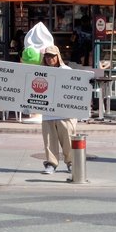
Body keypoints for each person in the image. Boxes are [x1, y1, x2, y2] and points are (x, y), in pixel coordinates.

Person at [40, 45, 76, 173]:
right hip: (48, 113)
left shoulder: (67, 70)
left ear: (58, 56)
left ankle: (71, 163)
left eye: (52, 56)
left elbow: (77, 87)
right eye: (47, 56)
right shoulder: (40, 72)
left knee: (68, 139)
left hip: (64, 113)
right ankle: (51, 163)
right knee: (49, 140)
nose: (49, 59)